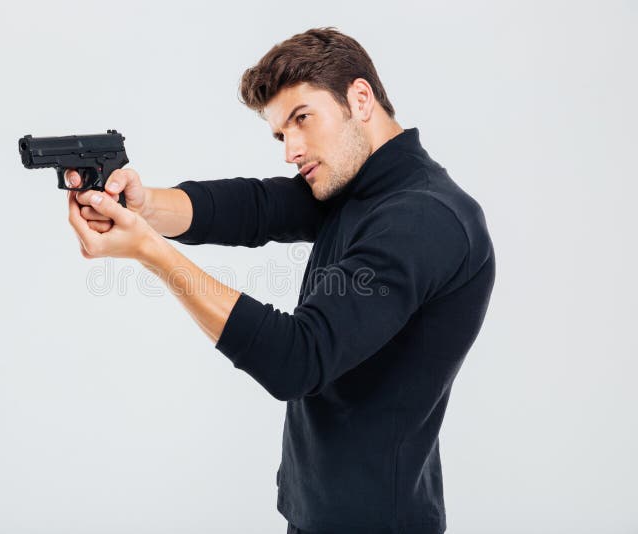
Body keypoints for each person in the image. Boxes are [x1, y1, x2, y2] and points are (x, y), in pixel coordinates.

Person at [65, 27, 495, 534]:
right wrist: (143, 204)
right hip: (316, 513)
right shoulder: (360, 186)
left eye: (302, 119)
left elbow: (298, 358)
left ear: (360, 99)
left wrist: (149, 251)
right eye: (280, 134)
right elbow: (257, 207)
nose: (290, 150)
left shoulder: (424, 219)